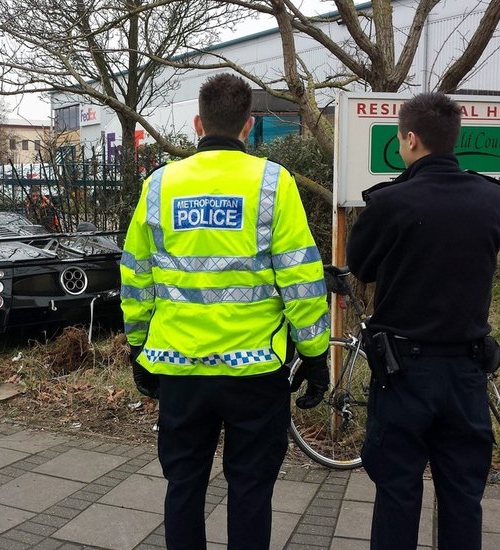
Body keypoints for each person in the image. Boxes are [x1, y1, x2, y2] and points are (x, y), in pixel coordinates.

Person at [120, 73, 331, 550]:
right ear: (249, 125)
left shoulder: (158, 187)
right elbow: (301, 278)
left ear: (198, 123)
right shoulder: (273, 184)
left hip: (179, 367)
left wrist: (138, 348)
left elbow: (135, 276)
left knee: (184, 486)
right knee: (251, 489)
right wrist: (316, 356)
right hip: (254, 371)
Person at [346, 92, 500, 550]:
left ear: (411, 139)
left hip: (404, 374)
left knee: (397, 495)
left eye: (400, 138)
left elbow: (361, 265)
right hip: (467, 373)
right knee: (462, 497)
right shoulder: (489, 197)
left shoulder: (391, 202)